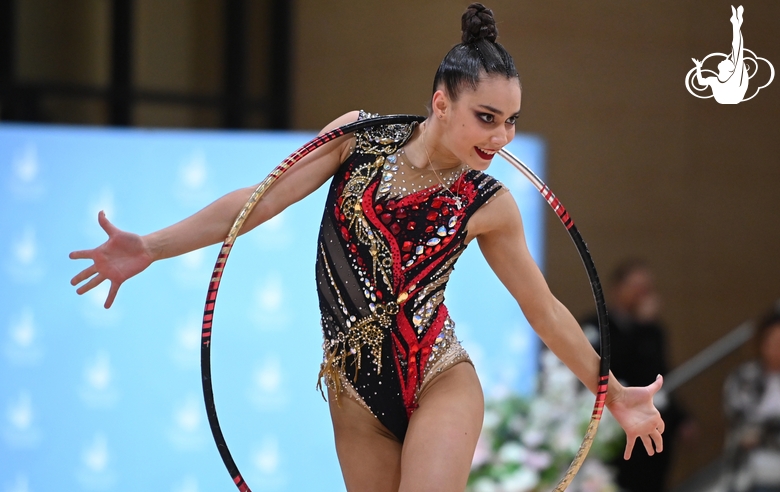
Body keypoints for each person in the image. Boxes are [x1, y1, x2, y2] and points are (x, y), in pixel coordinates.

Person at [70, 4, 665, 491]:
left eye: (510, 121)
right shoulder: (358, 138)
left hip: (438, 376)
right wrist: (151, 245)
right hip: (354, 391)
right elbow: (259, 201)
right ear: (441, 102)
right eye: (487, 117)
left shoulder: (488, 201)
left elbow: (546, 311)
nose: (501, 136)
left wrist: (609, 391)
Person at [580, 259, 692, 492]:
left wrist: (682, 417)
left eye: (647, 289)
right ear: (617, 289)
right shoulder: (596, 325)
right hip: (613, 428)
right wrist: (638, 327)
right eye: (636, 288)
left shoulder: (654, 330)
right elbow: (610, 368)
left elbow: (661, 376)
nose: (642, 295)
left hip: (651, 425)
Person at [722, 309, 780, 492]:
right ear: (763, 342)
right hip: (751, 473)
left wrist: (761, 433)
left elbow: (756, 432)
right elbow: (742, 428)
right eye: (776, 342)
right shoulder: (744, 377)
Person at [692, 5, 749, 104]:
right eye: (728, 61)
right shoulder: (717, 79)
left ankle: (736, 23)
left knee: (737, 51)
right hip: (731, 97)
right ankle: (736, 23)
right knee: (737, 52)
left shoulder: (723, 79)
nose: (725, 59)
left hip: (731, 96)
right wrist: (698, 67)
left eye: (727, 61)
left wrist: (698, 67)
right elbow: (700, 82)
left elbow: (737, 49)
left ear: (729, 69)